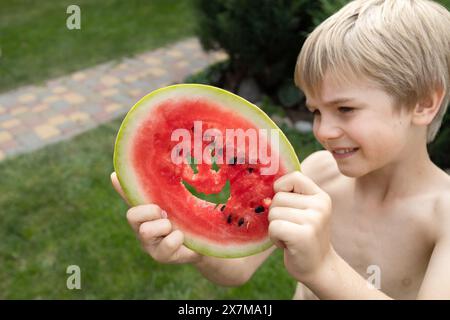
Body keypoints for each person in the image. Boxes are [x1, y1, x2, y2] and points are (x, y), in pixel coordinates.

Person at [111, 0, 450, 299]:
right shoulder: (318, 173)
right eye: (316, 111)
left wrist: (322, 268)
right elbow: (238, 269)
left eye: (345, 109)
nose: (324, 131)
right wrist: (195, 245)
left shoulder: (442, 215)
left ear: (423, 103)